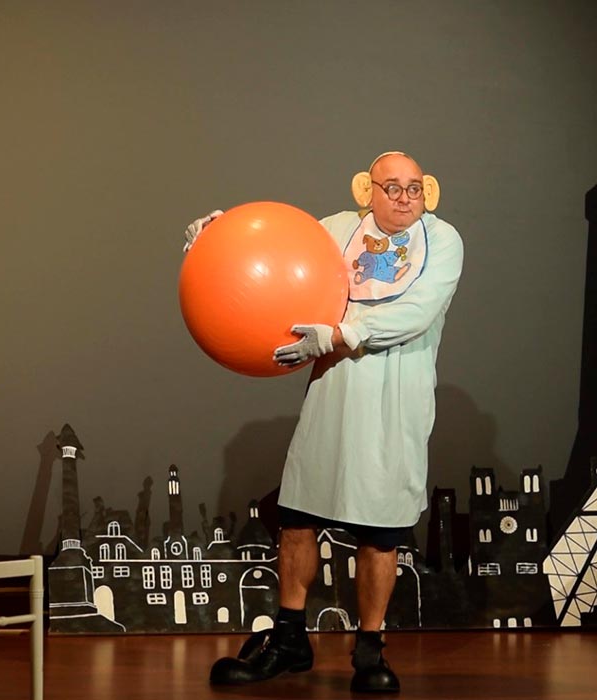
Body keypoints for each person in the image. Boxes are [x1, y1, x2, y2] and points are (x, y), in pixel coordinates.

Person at [181, 151, 464, 694]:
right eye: (391, 187)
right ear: (367, 190)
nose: (404, 198)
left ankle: (370, 649)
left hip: (395, 400)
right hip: (333, 391)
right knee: (298, 519)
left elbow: (417, 312)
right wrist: (218, 236)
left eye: (414, 188)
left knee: (381, 531)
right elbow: (277, 252)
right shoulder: (337, 230)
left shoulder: (443, 240)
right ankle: (290, 639)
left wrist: (338, 335)